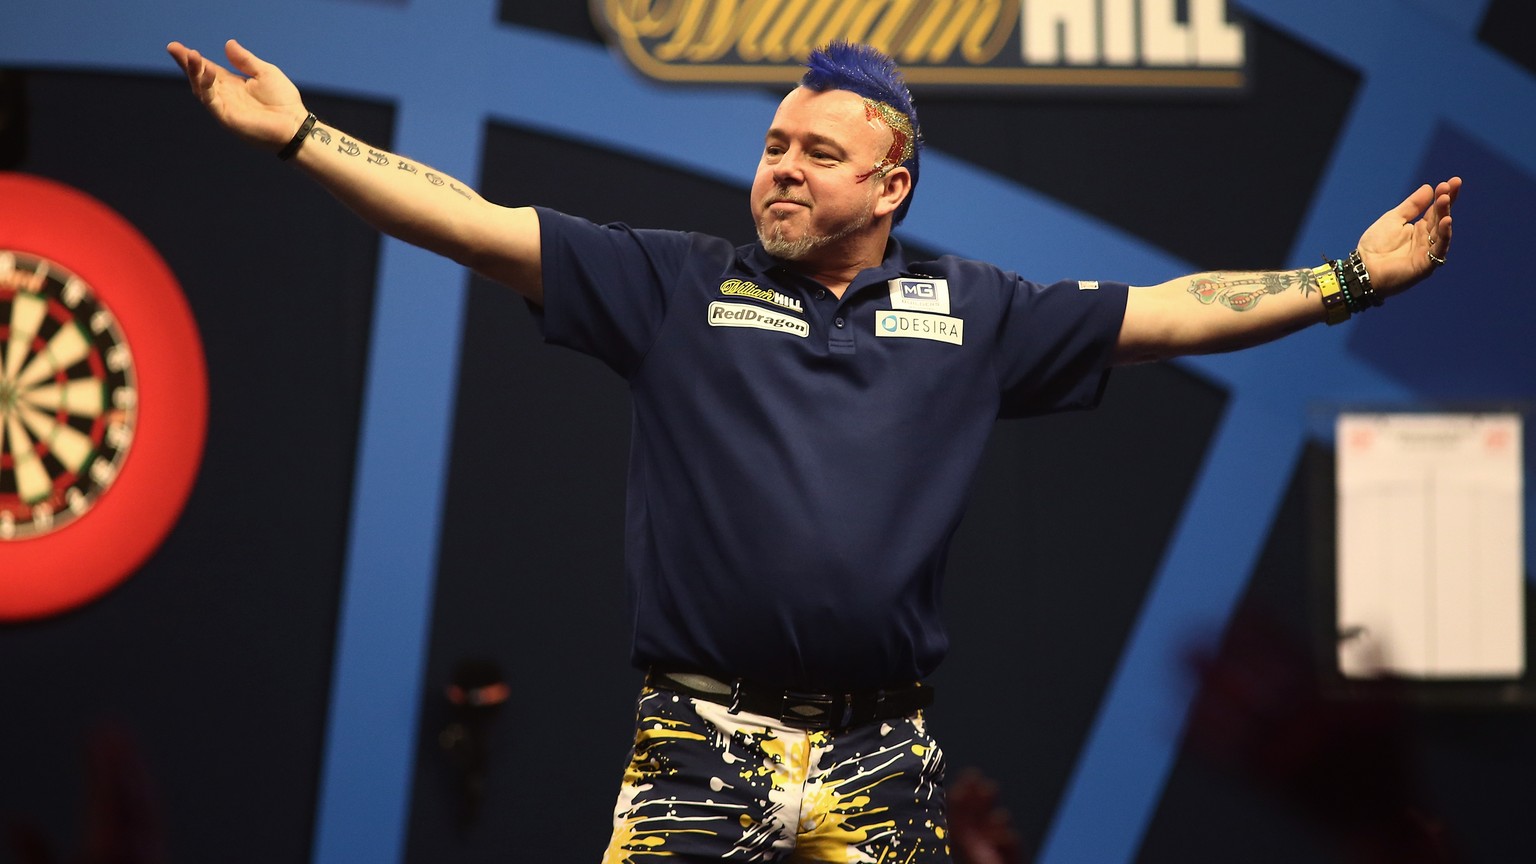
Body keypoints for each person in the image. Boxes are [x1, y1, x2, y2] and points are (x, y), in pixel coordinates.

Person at [166, 37, 1460, 863]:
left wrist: (1351, 277)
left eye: (817, 155)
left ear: (891, 189)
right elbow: (475, 224)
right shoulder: (669, 287)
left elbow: (1173, 312)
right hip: (696, 742)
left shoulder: (976, 312)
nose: (780, 170)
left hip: (881, 756)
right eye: (773, 146)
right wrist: (300, 135)